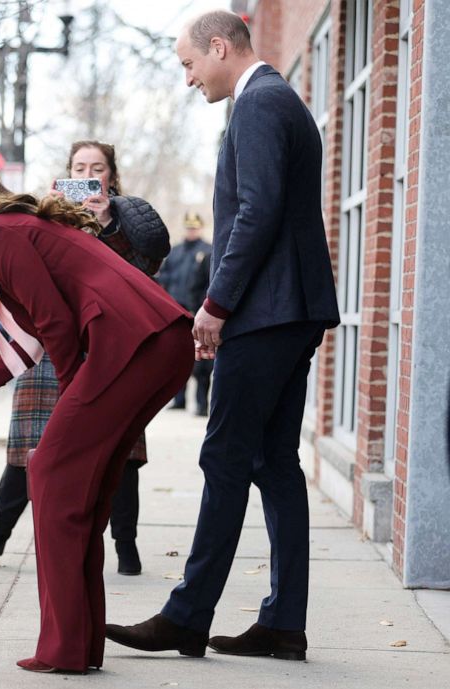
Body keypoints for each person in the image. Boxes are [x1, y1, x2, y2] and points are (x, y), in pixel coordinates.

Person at [0, 157, 194, 673]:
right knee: (84, 492)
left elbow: (54, 324)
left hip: (133, 344)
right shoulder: (16, 227)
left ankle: (65, 648)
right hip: (158, 341)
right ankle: (79, 645)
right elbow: (31, 338)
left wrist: (71, 401)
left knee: (52, 473)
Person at [104, 10, 340, 662]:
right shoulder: (279, 100)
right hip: (290, 312)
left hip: (265, 314)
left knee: (226, 457)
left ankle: (187, 615)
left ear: (218, 47)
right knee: (273, 462)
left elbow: (257, 212)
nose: (188, 79)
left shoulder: (259, 104)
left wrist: (215, 303)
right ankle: (283, 624)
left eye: (189, 64)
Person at [0, 140, 171, 576]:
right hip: (46, 349)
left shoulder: (128, 221)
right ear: (65, 173)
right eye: (79, 167)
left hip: (107, 346)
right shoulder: (41, 215)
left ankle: (126, 545)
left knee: (122, 451)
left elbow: (139, 278)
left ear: (111, 176)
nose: (87, 175)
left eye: (97, 168)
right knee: (27, 449)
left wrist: (107, 225)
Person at [158, 212, 214, 415]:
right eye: (188, 227)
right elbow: (163, 278)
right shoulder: (174, 252)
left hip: (199, 312)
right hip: (176, 310)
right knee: (177, 357)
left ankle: (201, 404)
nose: (192, 231)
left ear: (200, 228)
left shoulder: (208, 251)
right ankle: (179, 399)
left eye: (195, 227)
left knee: (202, 361)